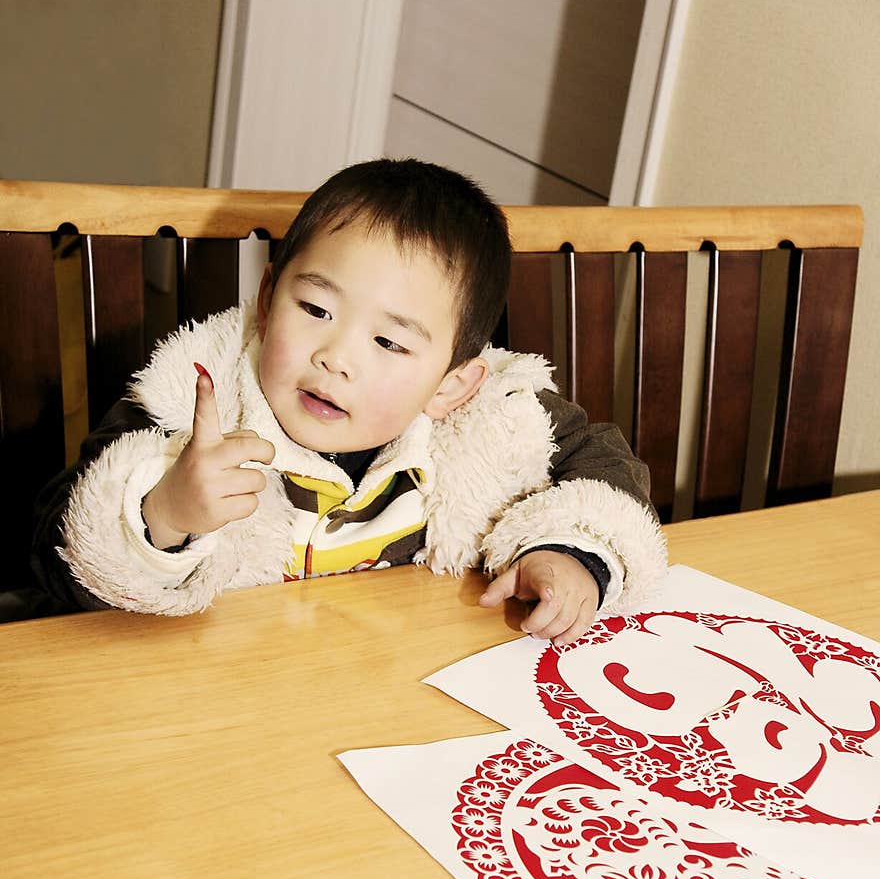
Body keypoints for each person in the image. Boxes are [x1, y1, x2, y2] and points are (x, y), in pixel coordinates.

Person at [32, 157, 667, 641]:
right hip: (204, 706)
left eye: (389, 343)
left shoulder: (497, 415)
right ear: (267, 296)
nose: (335, 356)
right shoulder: (190, 405)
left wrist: (570, 553)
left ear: (450, 384)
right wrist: (164, 514)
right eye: (314, 308)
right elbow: (54, 554)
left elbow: (602, 466)